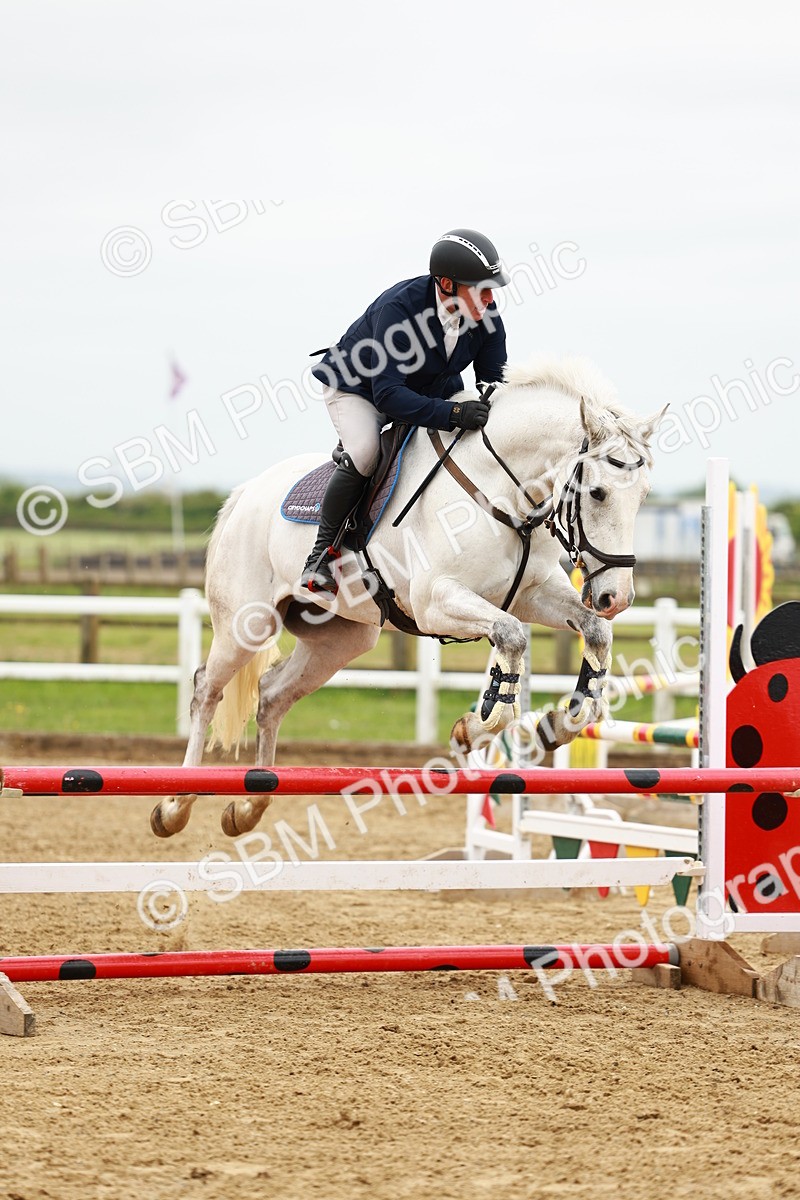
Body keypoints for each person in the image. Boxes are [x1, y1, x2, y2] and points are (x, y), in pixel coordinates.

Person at [301, 228, 511, 593]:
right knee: (367, 453)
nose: (490, 299)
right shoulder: (399, 310)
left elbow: (493, 379)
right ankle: (322, 555)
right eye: (481, 289)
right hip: (359, 389)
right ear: (446, 284)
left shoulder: (486, 316)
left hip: (427, 386)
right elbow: (388, 396)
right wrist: (453, 415)